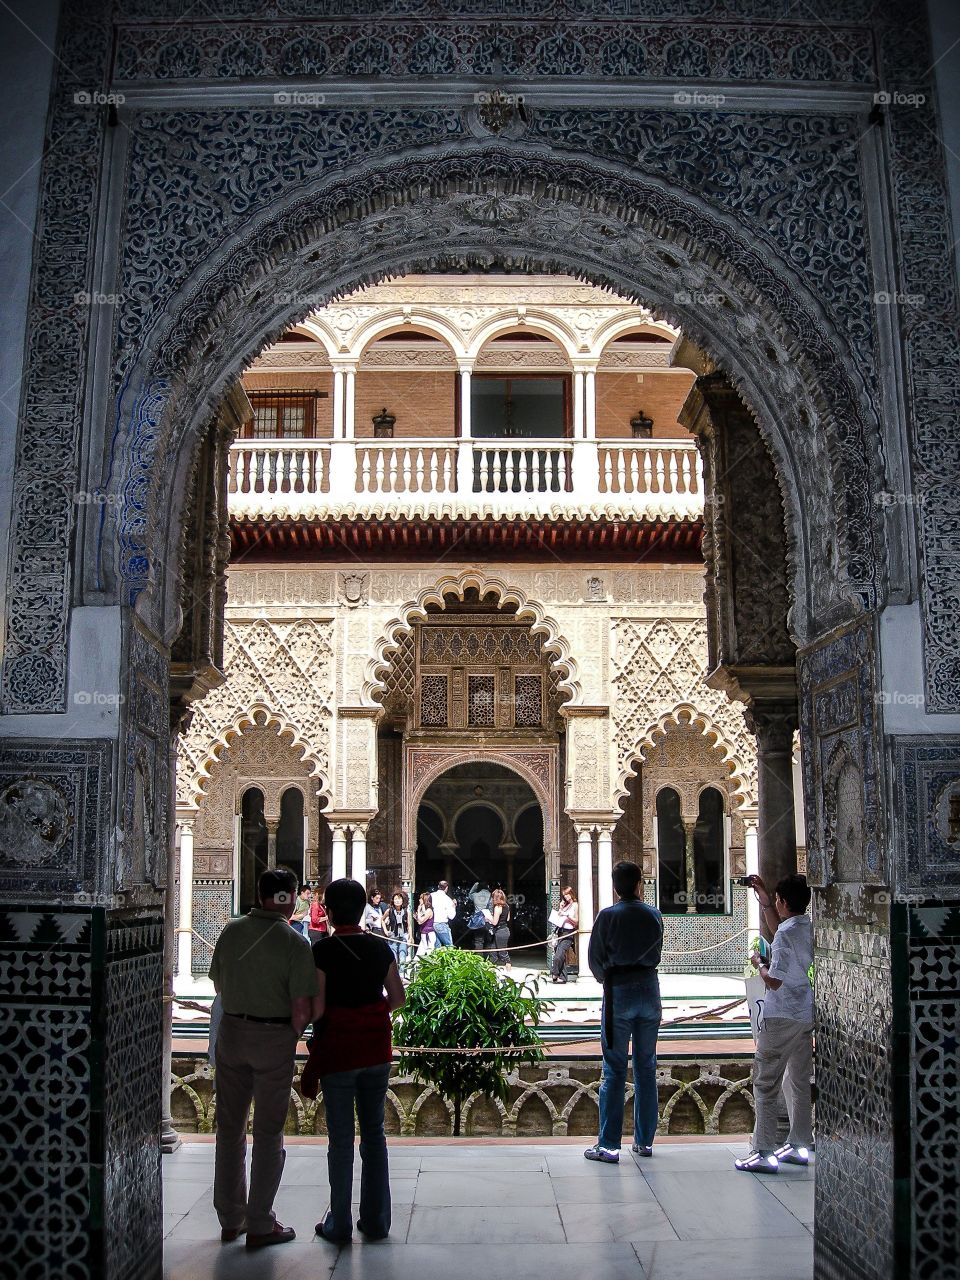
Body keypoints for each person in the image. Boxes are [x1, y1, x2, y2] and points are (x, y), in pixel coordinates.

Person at [209, 867, 320, 1249]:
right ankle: (260, 1222)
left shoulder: (231, 930)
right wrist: (287, 1034)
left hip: (233, 1035)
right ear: (290, 898)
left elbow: (219, 984)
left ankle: (230, 1218)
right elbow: (303, 1009)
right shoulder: (295, 943)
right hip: (273, 1038)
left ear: (259, 894)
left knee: (229, 1129)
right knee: (269, 1133)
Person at [300, 878, 406, 1243]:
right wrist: (371, 1012)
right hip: (376, 1049)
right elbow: (398, 998)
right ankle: (376, 1221)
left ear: (328, 911)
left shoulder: (323, 951)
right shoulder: (380, 949)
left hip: (339, 1051)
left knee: (341, 1140)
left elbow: (317, 1007)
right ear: (362, 909)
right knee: (374, 1135)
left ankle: (339, 1222)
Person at [735, 872, 814, 1175]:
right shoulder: (804, 926)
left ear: (783, 901)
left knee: (766, 1083)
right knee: (798, 1080)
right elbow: (780, 928)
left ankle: (763, 1150)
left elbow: (775, 982)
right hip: (803, 1012)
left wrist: (759, 964)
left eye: (777, 901)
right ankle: (799, 1144)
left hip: (780, 1016)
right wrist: (766, 900)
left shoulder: (785, 934)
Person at [584, 860, 663, 1164]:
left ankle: (608, 1145)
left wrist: (610, 977)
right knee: (646, 1068)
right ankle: (644, 1142)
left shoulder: (608, 916)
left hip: (619, 995)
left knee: (614, 1070)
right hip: (649, 992)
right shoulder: (654, 915)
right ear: (639, 883)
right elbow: (656, 951)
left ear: (615, 886)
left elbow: (595, 960)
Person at [551, 886, 579, 983]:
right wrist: (560, 908)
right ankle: (562, 978)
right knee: (559, 953)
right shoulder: (565, 905)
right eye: (564, 895)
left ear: (571, 893)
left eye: (567, 894)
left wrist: (567, 916)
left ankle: (554, 973)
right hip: (560, 931)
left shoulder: (575, 905)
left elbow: (576, 921)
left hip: (568, 932)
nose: (566, 897)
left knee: (559, 954)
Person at [384, 891, 412, 970]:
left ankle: (402, 976)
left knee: (402, 956)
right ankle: (395, 977)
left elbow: (409, 925)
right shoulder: (389, 911)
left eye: (399, 899)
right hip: (392, 937)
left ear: (402, 900)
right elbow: (382, 920)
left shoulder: (406, 911)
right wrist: (386, 931)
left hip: (403, 937)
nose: (397, 901)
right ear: (393, 900)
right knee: (394, 958)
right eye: (395, 899)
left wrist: (410, 937)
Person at [485, 888, 511, 967]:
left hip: (500, 932)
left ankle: (509, 972)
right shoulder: (506, 906)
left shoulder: (498, 907)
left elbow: (495, 922)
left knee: (503, 953)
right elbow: (508, 918)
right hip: (504, 930)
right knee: (493, 953)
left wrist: (488, 918)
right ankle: (489, 971)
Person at [431, 879, 457, 947]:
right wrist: (454, 906)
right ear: (446, 888)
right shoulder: (448, 899)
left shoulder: (431, 896)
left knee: (437, 946)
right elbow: (451, 916)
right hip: (441, 924)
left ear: (438, 886)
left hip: (431, 924)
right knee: (449, 946)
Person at [414, 891, 436, 958]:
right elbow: (419, 920)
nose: (419, 900)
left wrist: (418, 909)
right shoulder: (425, 910)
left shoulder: (429, 910)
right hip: (424, 934)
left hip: (428, 934)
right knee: (420, 954)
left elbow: (421, 921)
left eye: (421, 898)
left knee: (428, 953)